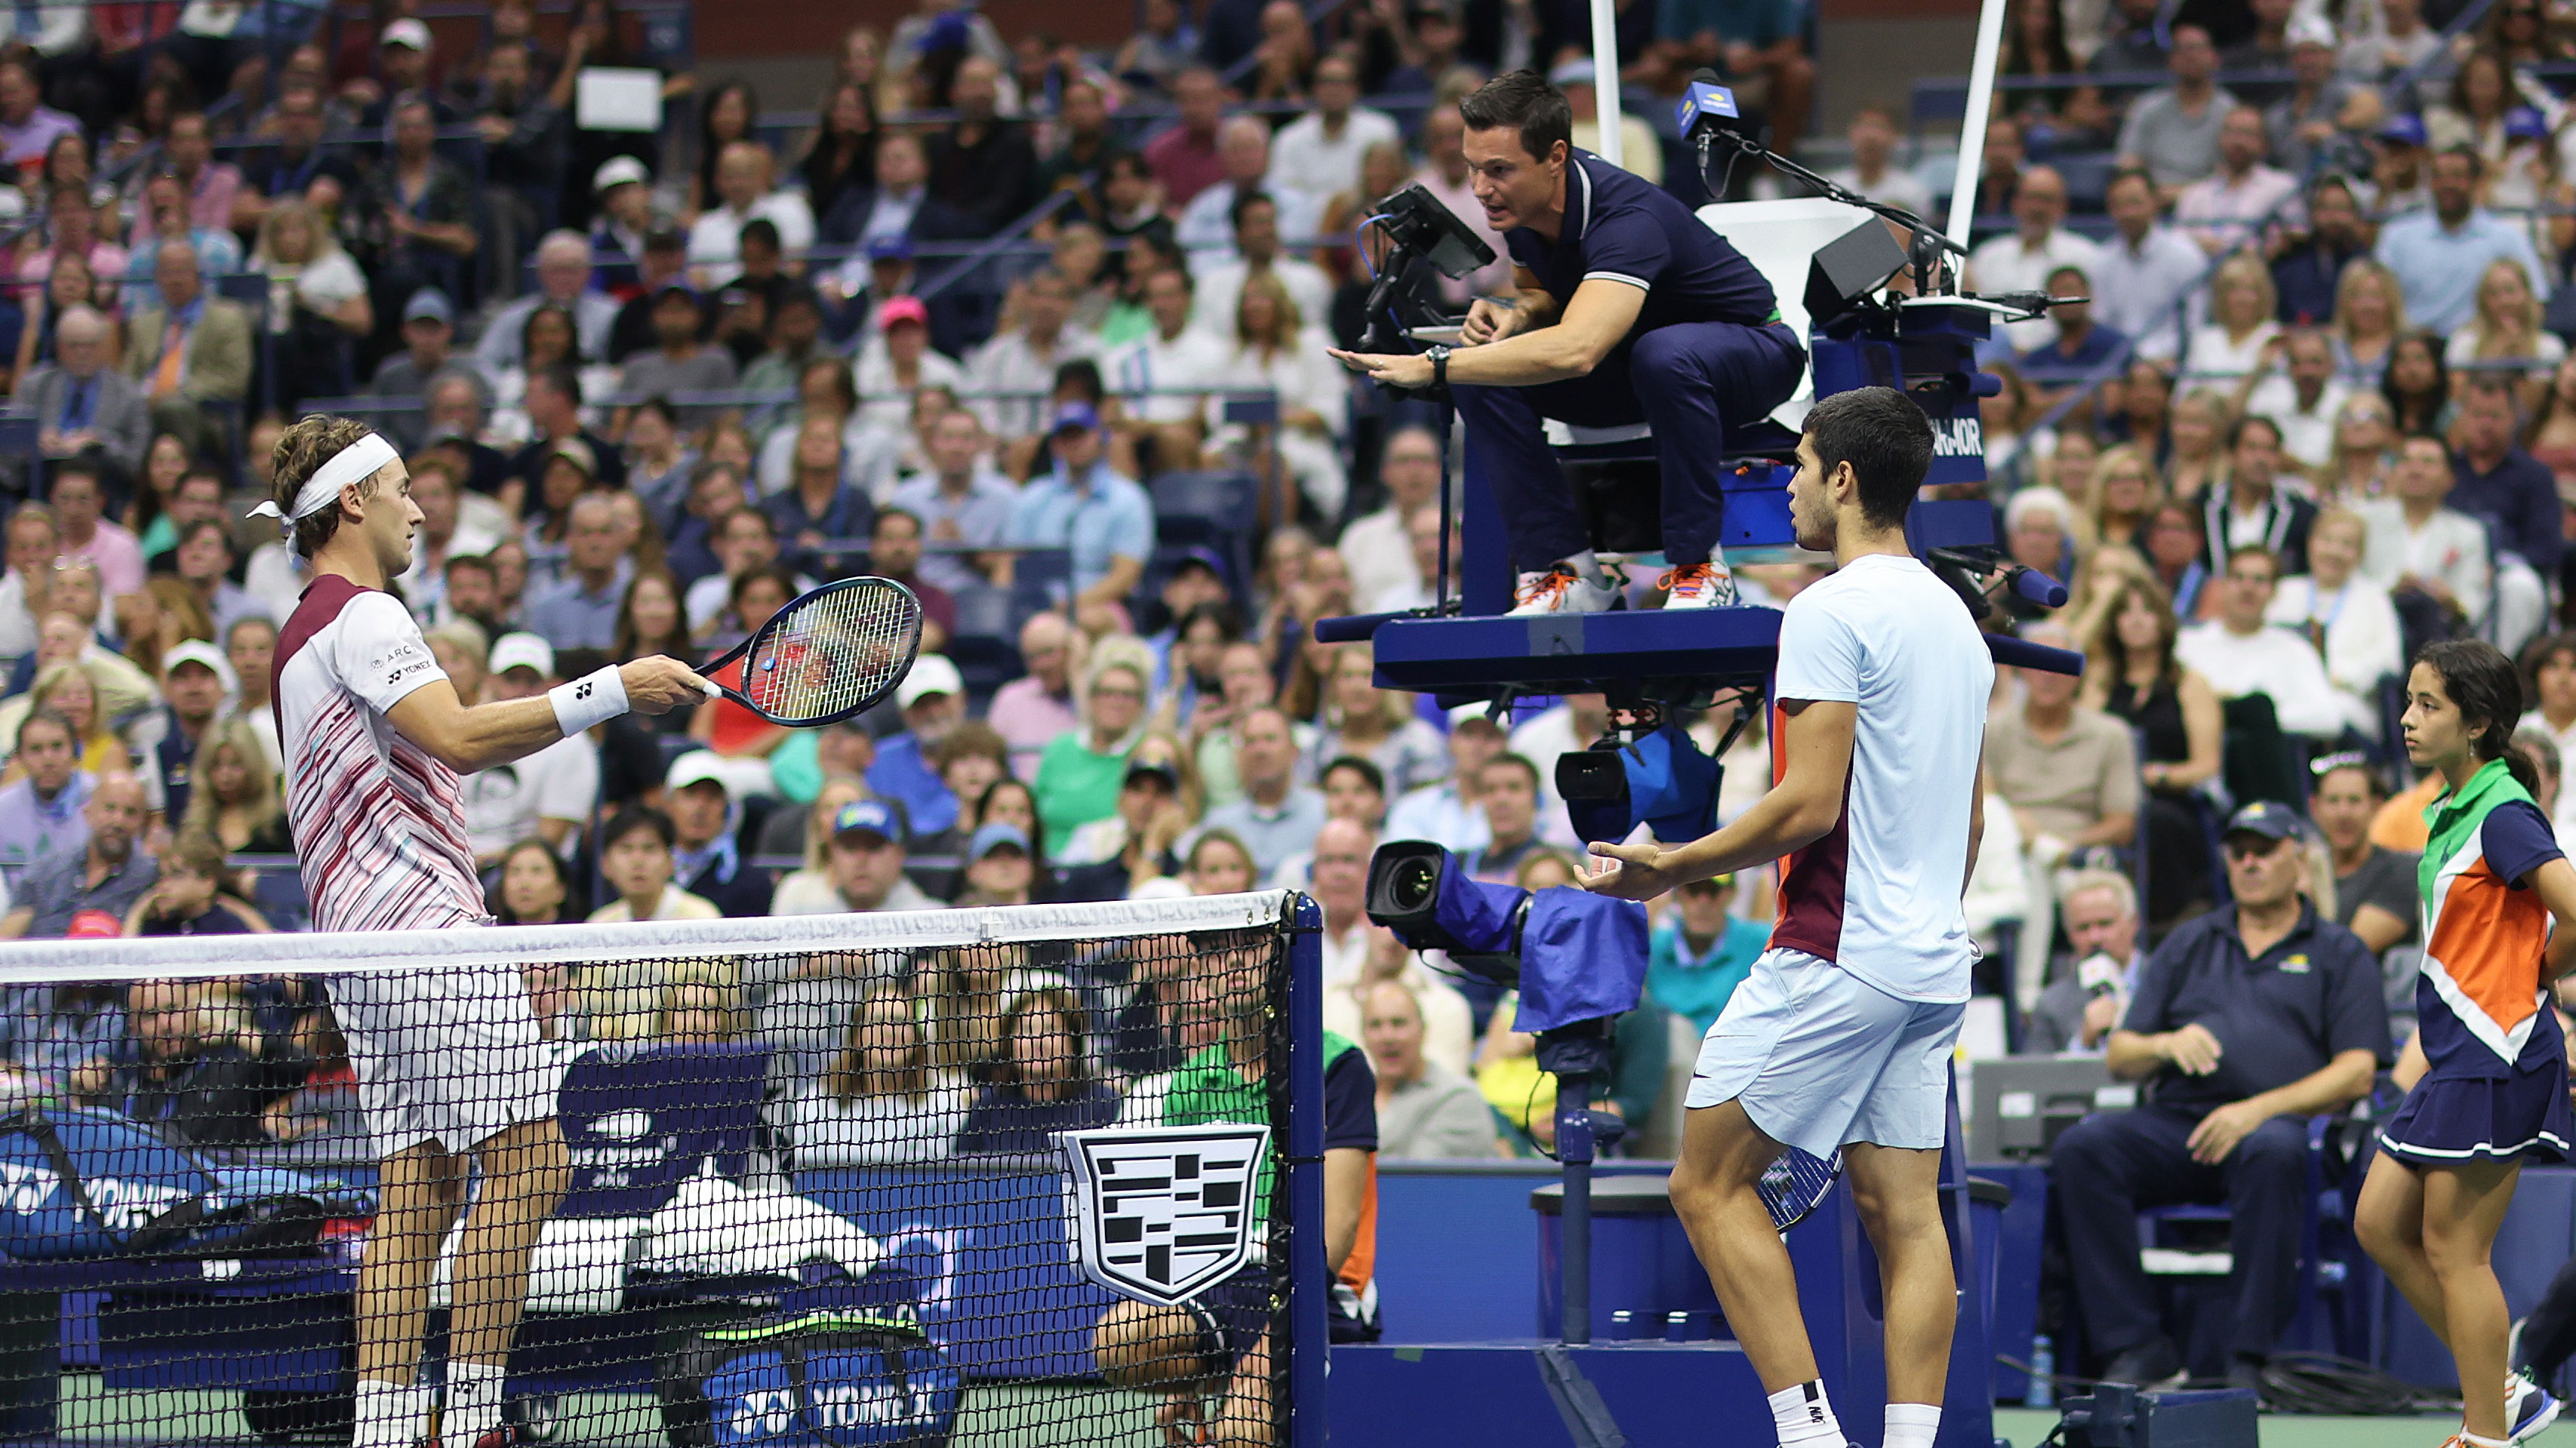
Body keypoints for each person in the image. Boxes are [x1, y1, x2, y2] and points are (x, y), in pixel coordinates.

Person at [251, 415, 706, 1448]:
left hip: (356, 946)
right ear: (353, 499)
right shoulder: (367, 616)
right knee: (535, 1162)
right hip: (425, 931)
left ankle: (383, 1424)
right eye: (404, 488)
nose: (419, 508)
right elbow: (456, 733)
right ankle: (470, 1422)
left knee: (418, 1182)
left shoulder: (297, 633)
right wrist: (613, 687)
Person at [1582, 388, 1990, 1448]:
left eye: (1800, 465)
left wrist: (1671, 863)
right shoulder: (1956, 615)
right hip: (1933, 959)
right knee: (1904, 1211)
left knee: (1707, 1182)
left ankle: (1808, 1439)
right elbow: (1972, 813)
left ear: (1845, 479)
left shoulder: (1827, 607)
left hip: (1841, 949)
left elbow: (1809, 801)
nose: (1789, 484)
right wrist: (1919, 930)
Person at [1327, 72, 1804, 615]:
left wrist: (1435, 366)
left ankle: (1699, 566)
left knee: (1660, 355)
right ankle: (1565, 571)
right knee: (1481, 374)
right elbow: (1540, 291)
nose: (1480, 188)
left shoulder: (1627, 218)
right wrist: (1515, 312)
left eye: (1499, 170)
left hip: (1751, 355)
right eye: (1472, 169)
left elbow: (1578, 348)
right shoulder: (1519, 208)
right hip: (1639, 368)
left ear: (1555, 156)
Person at [2053, 800, 2386, 1388]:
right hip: (2179, 1123)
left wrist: (2255, 1110)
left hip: (2281, 1128)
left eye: (2264, 850)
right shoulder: (2189, 942)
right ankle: (2135, 1344)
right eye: (2238, 852)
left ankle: (2246, 1358)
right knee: (2085, 1147)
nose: (2249, 862)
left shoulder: (2338, 950)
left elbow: (2357, 1071)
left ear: (2299, 860)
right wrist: (2165, 1044)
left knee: (2274, 1151)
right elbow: (2119, 1052)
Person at [2356, 639, 2576, 1448]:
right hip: (2453, 1053)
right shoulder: (2452, 809)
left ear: (2478, 721)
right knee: (2379, 1221)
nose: (2407, 718)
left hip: (2498, 1051)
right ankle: (2506, 1391)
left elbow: (2572, 910)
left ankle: (2485, 1432)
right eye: (2408, 700)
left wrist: (2535, 971)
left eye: (2428, 705)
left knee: (2455, 1248)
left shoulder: (2503, 813)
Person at [2177, 546, 2356, 742]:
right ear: (2222, 586)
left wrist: (2253, 716)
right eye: (2238, 578)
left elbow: (2329, 719)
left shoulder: (2294, 649)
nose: (2248, 589)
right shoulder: (2186, 643)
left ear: (2274, 592)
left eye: (2259, 580)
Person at [2375, 148, 2550, 338]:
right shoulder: (2398, 235)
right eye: (2438, 176)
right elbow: (2377, 297)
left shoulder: (2508, 236)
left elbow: (2536, 299)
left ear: (2476, 182)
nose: (2447, 184)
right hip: (2412, 346)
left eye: (2457, 176)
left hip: (2482, 350)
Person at [460, 633, 601, 868]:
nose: (521, 690)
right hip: (453, 861)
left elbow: (550, 838)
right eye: (511, 679)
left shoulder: (572, 743)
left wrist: (484, 862)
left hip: (521, 867)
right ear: (491, 681)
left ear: (550, 685)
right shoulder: (466, 728)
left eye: (532, 681)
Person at [955, 987, 1122, 1154]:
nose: (1037, 1041)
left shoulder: (1102, 1104)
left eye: (1049, 1029)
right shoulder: (988, 1108)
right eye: (1027, 1030)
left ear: (1073, 1041)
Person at [0, 773, 155, 938]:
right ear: (88, 813)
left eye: (130, 813)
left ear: (142, 823)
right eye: (109, 809)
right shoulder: (47, 873)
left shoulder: (150, 878)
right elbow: (7, 939)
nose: (118, 821)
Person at [1362, 978, 1499, 1158]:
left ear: (1423, 1030)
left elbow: (1417, 1178)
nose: (1387, 1037)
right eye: (1375, 1025)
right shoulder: (1349, 1095)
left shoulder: (1458, 1098)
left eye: (1399, 1023)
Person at [2022, 869, 2147, 1055]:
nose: (2095, 938)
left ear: (2133, 923)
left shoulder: (2169, 984)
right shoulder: (2051, 1005)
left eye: (2105, 924)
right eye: (2083, 928)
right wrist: (2083, 1042)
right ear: (2069, 934)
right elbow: (2035, 1080)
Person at [2311, 753, 2421, 957]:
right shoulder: (2301, 873)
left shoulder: (2401, 872)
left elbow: (2346, 954)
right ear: (2314, 808)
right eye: (2333, 801)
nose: (2343, 813)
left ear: (2376, 807)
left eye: (2354, 801)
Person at [1647, 872, 1770, 1036]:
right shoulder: (1653, 944)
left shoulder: (1761, 942)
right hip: (1667, 1053)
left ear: (1730, 893)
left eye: (1713, 891)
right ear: (1678, 894)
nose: (1703, 902)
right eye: (1694, 890)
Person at [662, 752, 775, 918]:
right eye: (690, 795)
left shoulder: (752, 882)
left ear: (727, 809)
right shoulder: (643, 874)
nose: (700, 808)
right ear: (669, 805)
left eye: (712, 797)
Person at [774, 801, 935, 914]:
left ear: (898, 856)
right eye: (849, 848)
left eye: (874, 847)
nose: (861, 859)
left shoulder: (930, 921)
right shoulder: (801, 906)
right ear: (832, 855)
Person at [0, 710, 91, 888]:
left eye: (57, 747)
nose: (48, 760)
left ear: (75, 750)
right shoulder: (3, 809)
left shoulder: (101, 799)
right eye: (36, 750)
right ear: (19, 757)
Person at [587, 805, 719, 924]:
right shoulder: (600, 924)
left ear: (671, 861)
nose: (637, 861)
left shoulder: (701, 919)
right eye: (626, 849)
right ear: (605, 864)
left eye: (649, 849)